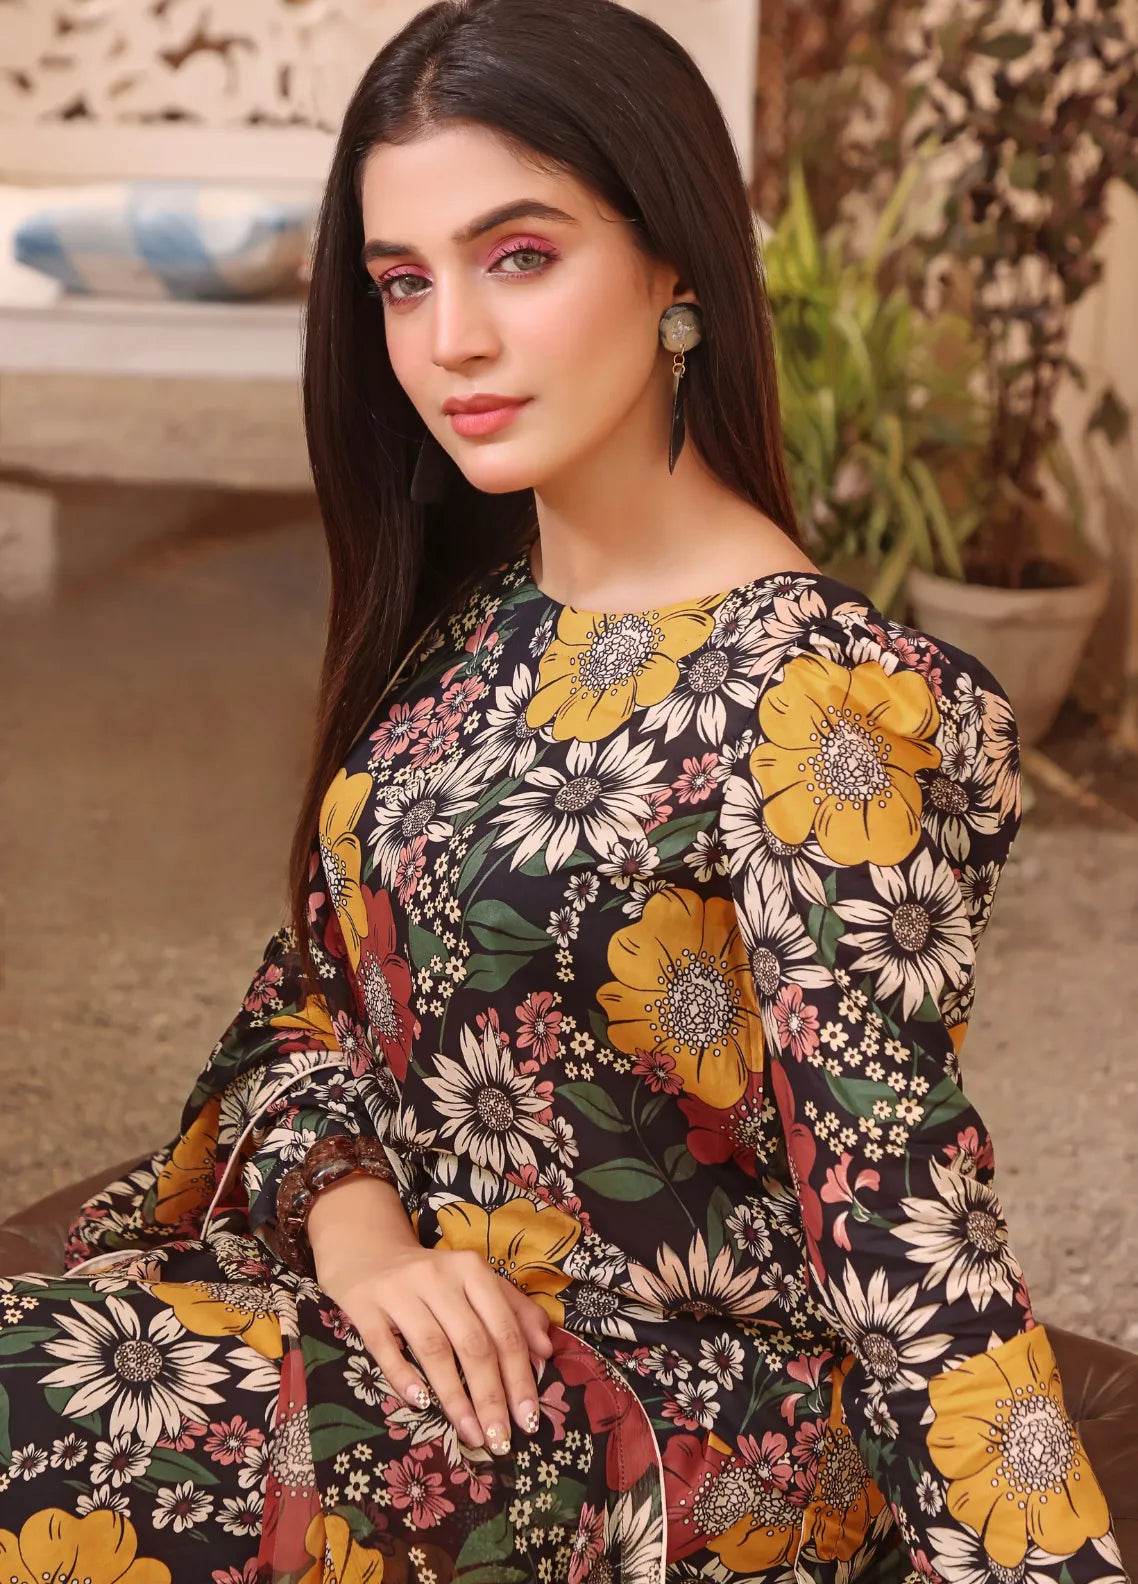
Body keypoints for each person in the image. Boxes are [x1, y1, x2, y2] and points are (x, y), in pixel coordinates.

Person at [0, 0, 1127, 1580]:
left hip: (680, 1431)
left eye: (517, 256)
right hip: (412, 1336)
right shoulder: (468, 628)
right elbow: (304, 1010)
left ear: (675, 268)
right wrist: (361, 1237)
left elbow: (901, 1222)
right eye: (403, 281)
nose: (447, 338)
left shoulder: (830, 706)